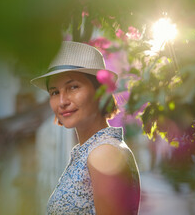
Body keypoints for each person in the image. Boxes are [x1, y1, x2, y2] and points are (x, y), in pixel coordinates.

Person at [31, 41, 140, 215]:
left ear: (100, 91)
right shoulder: (91, 150)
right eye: (54, 92)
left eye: (73, 87)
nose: (62, 101)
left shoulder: (104, 153)